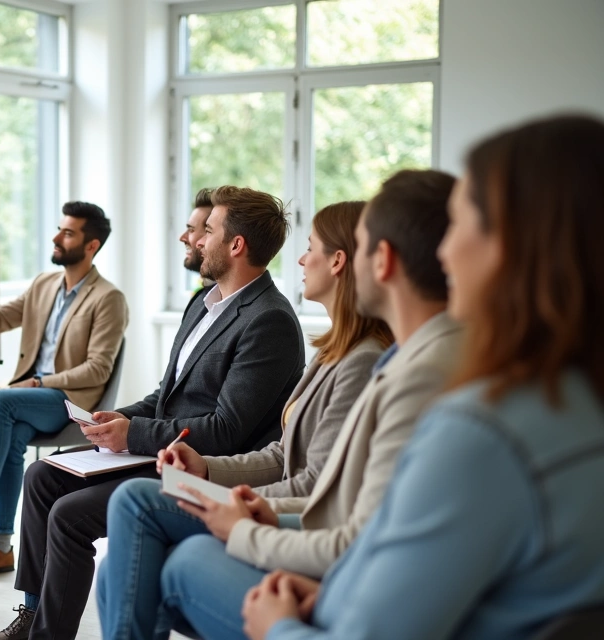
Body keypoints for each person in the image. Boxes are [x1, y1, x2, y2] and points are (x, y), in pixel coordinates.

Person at [241, 113, 604, 640]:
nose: (444, 251)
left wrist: (276, 628)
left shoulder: (481, 428)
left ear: (515, 245)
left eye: (461, 224)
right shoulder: (575, 402)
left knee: (178, 554)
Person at [0, 186, 306, 640]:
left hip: (205, 469)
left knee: (69, 515)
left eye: (208, 231)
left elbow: (227, 431)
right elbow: (166, 396)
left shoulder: (269, 320)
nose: (197, 240)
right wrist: (115, 417)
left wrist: (133, 433)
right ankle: (33, 615)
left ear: (236, 246)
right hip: (160, 451)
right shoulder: (202, 303)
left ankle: (48, 636)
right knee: (41, 480)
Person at [154, 169, 463, 640]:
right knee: (148, 519)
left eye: (312, 248)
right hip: (331, 551)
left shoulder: (399, 368)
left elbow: (354, 522)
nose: (300, 259)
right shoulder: (371, 354)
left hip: (341, 571)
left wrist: (249, 523)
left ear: (376, 260)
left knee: (170, 546)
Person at [97, 200, 392, 639]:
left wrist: (238, 502)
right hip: (268, 495)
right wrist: (206, 468)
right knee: (111, 564)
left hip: (300, 518)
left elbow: (313, 483)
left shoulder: (352, 358)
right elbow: (283, 451)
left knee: (135, 503)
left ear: (338, 262)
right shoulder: (332, 351)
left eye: (310, 248)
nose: (300, 258)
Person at [0, 201, 129, 580]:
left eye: (68, 233)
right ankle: (2, 547)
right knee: (13, 431)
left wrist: (40, 382)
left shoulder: (108, 298)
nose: (56, 237)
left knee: (1, 400)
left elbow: (98, 368)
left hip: (71, 400)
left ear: (91, 246)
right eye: (59, 229)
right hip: (33, 398)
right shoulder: (44, 284)